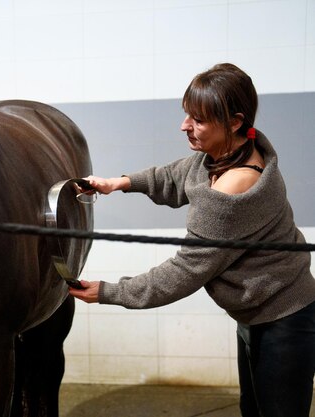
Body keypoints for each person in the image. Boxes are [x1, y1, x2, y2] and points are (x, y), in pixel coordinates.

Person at [69, 63, 315, 417]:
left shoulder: (235, 187)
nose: (185, 126)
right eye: (187, 115)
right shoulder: (224, 154)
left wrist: (108, 292)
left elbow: (185, 270)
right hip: (257, 314)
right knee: (253, 409)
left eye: (198, 119)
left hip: (285, 319)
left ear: (234, 122)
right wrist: (117, 183)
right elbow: (175, 175)